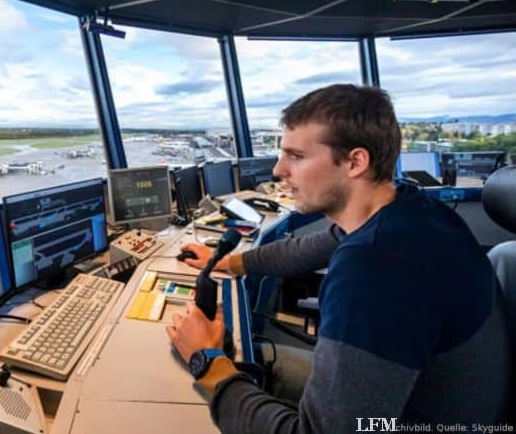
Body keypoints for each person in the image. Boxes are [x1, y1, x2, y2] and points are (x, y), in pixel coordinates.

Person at [166, 84, 511, 432]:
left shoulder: (376, 268)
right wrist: (231, 262)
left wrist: (208, 362)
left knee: (230, 371)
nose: (277, 170)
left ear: (355, 162)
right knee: (256, 358)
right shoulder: (412, 209)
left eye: (296, 157)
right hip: (433, 401)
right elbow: (308, 247)